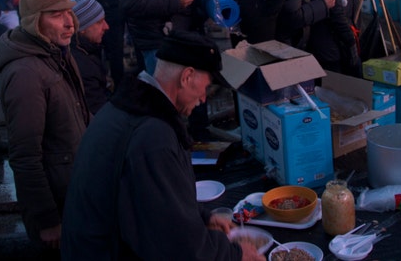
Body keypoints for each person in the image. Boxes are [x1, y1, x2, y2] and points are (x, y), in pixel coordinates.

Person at [61, 31, 265, 261]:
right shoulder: (152, 137)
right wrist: (235, 254)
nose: (204, 99)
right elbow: (177, 243)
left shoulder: (129, 107)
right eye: (205, 88)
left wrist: (202, 217)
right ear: (187, 77)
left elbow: (155, 201)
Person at [0, 0, 91, 252]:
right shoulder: (25, 74)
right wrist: (46, 218)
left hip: (74, 189)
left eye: (69, 13)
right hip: (57, 204)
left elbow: (79, 115)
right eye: (57, 15)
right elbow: (24, 156)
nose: (70, 23)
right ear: (35, 22)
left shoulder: (56, 53)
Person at [70, 0, 111, 114]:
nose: (106, 27)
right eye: (99, 22)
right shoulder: (81, 65)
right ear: (81, 28)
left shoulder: (87, 49)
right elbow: (97, 110)